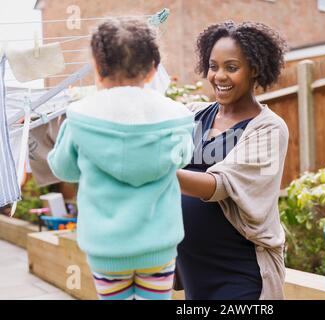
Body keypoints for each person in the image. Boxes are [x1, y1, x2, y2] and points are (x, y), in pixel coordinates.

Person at [47, 18, 194, 300]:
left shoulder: (80, 117)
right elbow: (183, 159)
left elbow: (62, 169)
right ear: (153, 69)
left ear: (97, 69)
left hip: (106, 250)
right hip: (158, 248)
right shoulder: (177, 116)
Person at [175, 20, 289, 300]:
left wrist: (159, 172)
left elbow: (219, 184)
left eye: (231, 67)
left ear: (255, 70)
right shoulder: (194, 115)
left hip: (239, 271)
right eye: (213, 66)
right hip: (194, 272)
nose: (219, 76)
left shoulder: (268, 128)